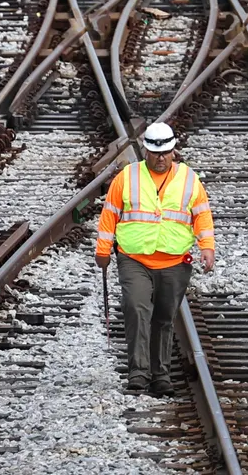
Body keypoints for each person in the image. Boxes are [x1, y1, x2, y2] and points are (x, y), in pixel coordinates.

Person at [95, 122, 215, 397]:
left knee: (163, 318)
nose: (160, 158)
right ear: (146, 151)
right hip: (134, 258)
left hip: (174, 261)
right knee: (136, 308)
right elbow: (109, 214)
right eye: (155, 152)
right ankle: (138, 372)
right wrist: (103, 250)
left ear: (174, 150)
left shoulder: (188, 179)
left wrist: (207, 246)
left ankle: (160, 375)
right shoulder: (127, 177)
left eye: (166, 152)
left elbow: (202, 215)